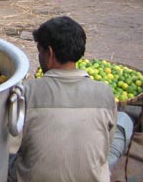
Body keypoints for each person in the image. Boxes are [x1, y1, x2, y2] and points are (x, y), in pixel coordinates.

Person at [11, 16, 132, 182]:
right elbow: (105, 144)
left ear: (49, 53)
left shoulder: (28, 92)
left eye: (40, 51)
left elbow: (12, 145)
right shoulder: (104, 92)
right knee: (124, 120)